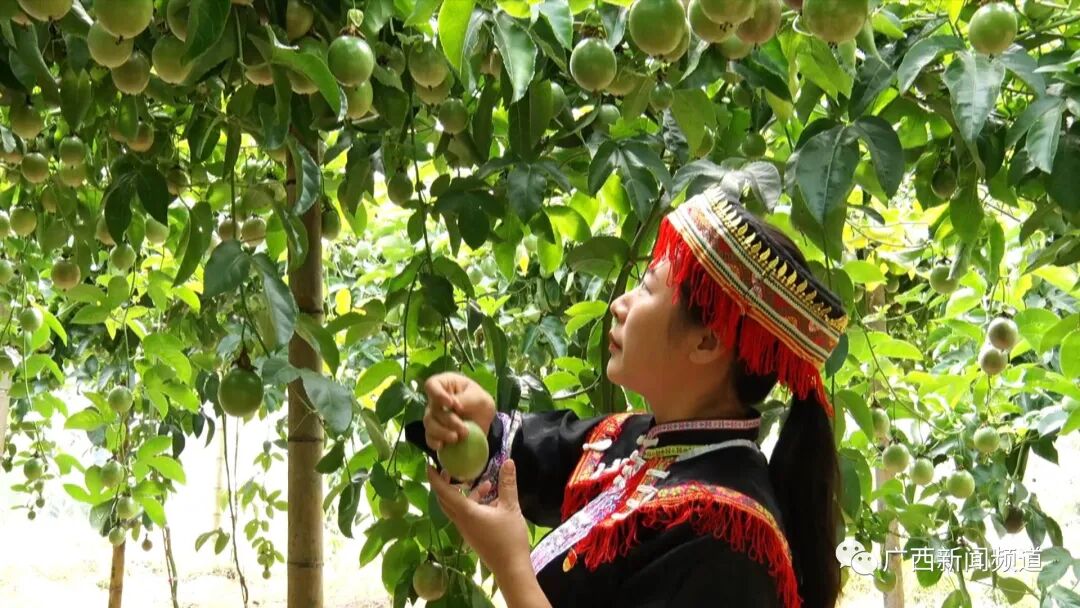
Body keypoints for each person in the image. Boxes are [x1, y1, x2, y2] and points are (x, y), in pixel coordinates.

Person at [405, 186, 849, 608]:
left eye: (648, 289)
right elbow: (531, 461)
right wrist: (475, 424)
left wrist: (511, 567)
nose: (620, 303)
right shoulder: (638, 440)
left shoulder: (727, 541)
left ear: (707, 342)